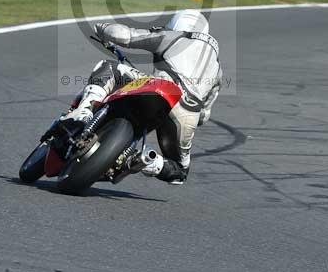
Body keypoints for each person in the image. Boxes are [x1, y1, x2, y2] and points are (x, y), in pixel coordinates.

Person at [63, 9, 222, 185]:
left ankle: (83, 112)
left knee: (110, 67)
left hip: (163, 88)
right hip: (188, 115)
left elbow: (126, 36)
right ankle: (146, 161)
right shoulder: (217, 68)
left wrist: (102, 29)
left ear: (178, 23)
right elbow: (205, 114)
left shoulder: (174, 36)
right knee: (180, 171)